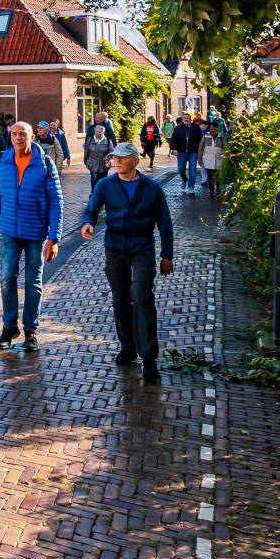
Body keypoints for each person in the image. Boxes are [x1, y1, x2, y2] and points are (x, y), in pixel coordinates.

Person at [81, 143, 176, 384]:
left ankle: (149, 358)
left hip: (142, 247)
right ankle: (128, 347)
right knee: (120, 298)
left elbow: (165, 223)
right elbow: (92, 208)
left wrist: (167, 255)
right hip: (115, 247)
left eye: (122, 158)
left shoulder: (152, 189)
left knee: (142, 297)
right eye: (115, 158)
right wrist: (88, 222)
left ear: (135, 160)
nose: (117, 161)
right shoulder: (105, 185)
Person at [0, 121, 63, 352]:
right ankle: (9, 327)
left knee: (33, 282)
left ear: (32, 137)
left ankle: (31, 330)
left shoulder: (45, 163)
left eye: (23, 134)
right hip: (9, 230)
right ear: (10, 137)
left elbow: (56, 201)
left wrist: (54, 237)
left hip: (35, 232)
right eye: (15, 134)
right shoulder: (1, 161)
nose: (18, 138)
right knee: (7, 278)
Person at [169, 115, 204, 191]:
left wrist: (200, 151)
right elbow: (173, 139)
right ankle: (184, 180)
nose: (186, 119)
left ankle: (191, 186)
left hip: (193, 153)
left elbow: (201, 140)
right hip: (181, 152)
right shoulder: (178, 128)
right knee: (181, 169)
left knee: (193, 171)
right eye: (184, 118)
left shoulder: (196, 128)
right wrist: (174, 149)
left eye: (188, 118)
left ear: (190, 119)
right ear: (182, 120)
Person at [82, 122, 113, 193]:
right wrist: (86, 162)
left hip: (104, 165)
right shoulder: (90, 140)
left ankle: (102, 195)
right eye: (97, 132)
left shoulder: (108, 141)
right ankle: (94, 195)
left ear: (103, 132)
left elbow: (112, 152)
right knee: (94, 182)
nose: (98, 133)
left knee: (103, 182)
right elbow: (86, 153)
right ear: (95, 132)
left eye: (100, 132)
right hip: (93, 165)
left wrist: (107, 157)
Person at [199, 127, 224, 202]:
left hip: (219, 159)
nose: (213, 130)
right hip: (208, 160)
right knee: (210, 176)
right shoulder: (205, 136)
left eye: (214, 129)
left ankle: (218, 190)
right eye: (211, 129)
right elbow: (200, 148)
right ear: (209, 130)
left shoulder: (221, 137)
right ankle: (211, 190)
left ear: (217, 129)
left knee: (218, 175)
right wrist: (199, 159)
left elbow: (226, 147)